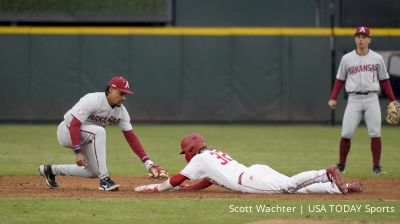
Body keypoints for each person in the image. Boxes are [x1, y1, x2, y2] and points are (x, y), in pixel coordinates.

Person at [39, 76, 169, 191]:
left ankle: (50, 170)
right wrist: (77, 151)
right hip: (66, 131)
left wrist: (148, 163)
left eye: (126, 95)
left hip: (87, 136)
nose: (123, 97)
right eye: (121, 93)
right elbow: (74, 125)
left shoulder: (121, 111)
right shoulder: (93, 99)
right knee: (99, 131)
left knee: (93, 171)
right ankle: (105, 180)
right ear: (111, 89)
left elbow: (131, 137)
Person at [134, 133, 362, 194]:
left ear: (191, 150)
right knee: (295, 187)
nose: (186, 155)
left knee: (290, 186)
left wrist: (157, 187)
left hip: (249, 181)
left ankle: (326, 173)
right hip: (256, 170)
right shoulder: (212, 153)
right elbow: (208, 181)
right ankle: (340, 187)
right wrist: (189, 188)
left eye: (185, 151)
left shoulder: (200, 159)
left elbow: (175, 180)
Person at [328, 26, 398, 175]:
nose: (361, 39)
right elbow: (340, 79)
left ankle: (376, 167)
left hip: (372, 98)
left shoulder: (377, 58)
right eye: (358, 37)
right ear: (355, 39)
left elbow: (385, 80)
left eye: (364, 37)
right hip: (354, 99)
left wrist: (392, 100)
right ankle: (341, 165)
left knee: (375, 132)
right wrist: (333, 97)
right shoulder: (347, 58)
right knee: (346, 132)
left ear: (369, 40)